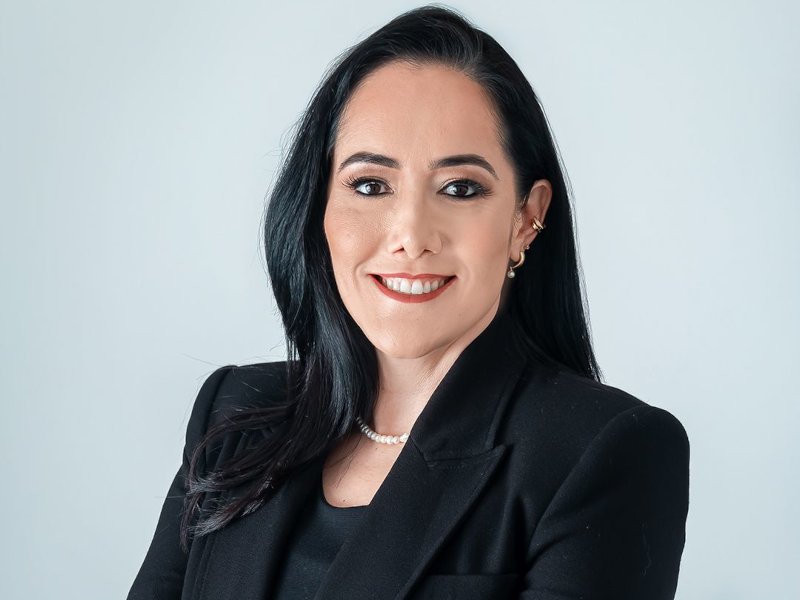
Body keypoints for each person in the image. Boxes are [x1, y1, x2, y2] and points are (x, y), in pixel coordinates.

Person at [128, 5, 690, 599]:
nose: (411, 236)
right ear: (319, 205)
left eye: (460, 188)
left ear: (526, 218)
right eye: (370, 185)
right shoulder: (234, 416)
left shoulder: (602, 451)